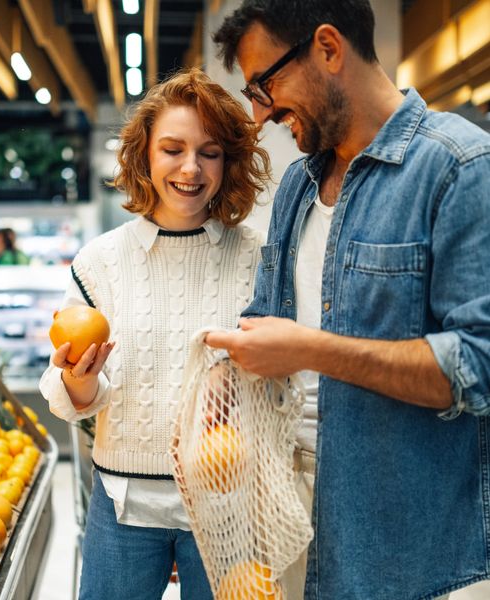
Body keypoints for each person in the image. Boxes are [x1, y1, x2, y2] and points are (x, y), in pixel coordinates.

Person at [206, 1, 490, 599]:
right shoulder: (297, 187)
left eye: (265, 84)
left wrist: (311, 350)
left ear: (328, 48)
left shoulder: (458, 167)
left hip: (409, 558)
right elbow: (270, 315)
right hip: (292, 531)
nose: (259, 115)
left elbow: (477, 367)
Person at [39, 68, 270, 599]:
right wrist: (79, 378)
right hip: (124, 504)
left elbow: (283, 375)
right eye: (172, 149)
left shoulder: (258, 256)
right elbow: (76, 398)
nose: (190, 168)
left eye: (209, 152)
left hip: (228, 505)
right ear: (144, 154)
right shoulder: (100, 262)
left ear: (228, 161)